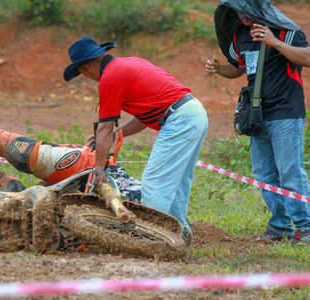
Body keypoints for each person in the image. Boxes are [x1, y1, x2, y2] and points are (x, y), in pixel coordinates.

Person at [63, 36, 209, 243]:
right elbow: (144, 117)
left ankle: (151, 238)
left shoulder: (110, 78)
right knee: (177, 182)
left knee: (155, 182)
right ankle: (178, 232)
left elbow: (104, 128)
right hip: (193, 112)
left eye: (82, 74)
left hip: (180, 118)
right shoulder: (127, 64)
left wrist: (98, 170)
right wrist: (117, 133)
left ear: (86, 68)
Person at [205, 0, 310, 245]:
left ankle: (306, 227)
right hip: (256, 114)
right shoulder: (239, 36)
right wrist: (219, 68)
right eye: (238, 12)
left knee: (290, 172)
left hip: (286, 110)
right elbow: (239, 68)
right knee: (263, 173)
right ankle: (280, 227)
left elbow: (307, 57)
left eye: (246, 11)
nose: (242, 17)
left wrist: (275, 42)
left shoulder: (287, 30)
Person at [0, 125, 142, 203]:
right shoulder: (158, 192)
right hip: (89, 168)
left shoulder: (159, 221)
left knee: (25, 204)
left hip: (84, 201)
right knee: (30, 156)